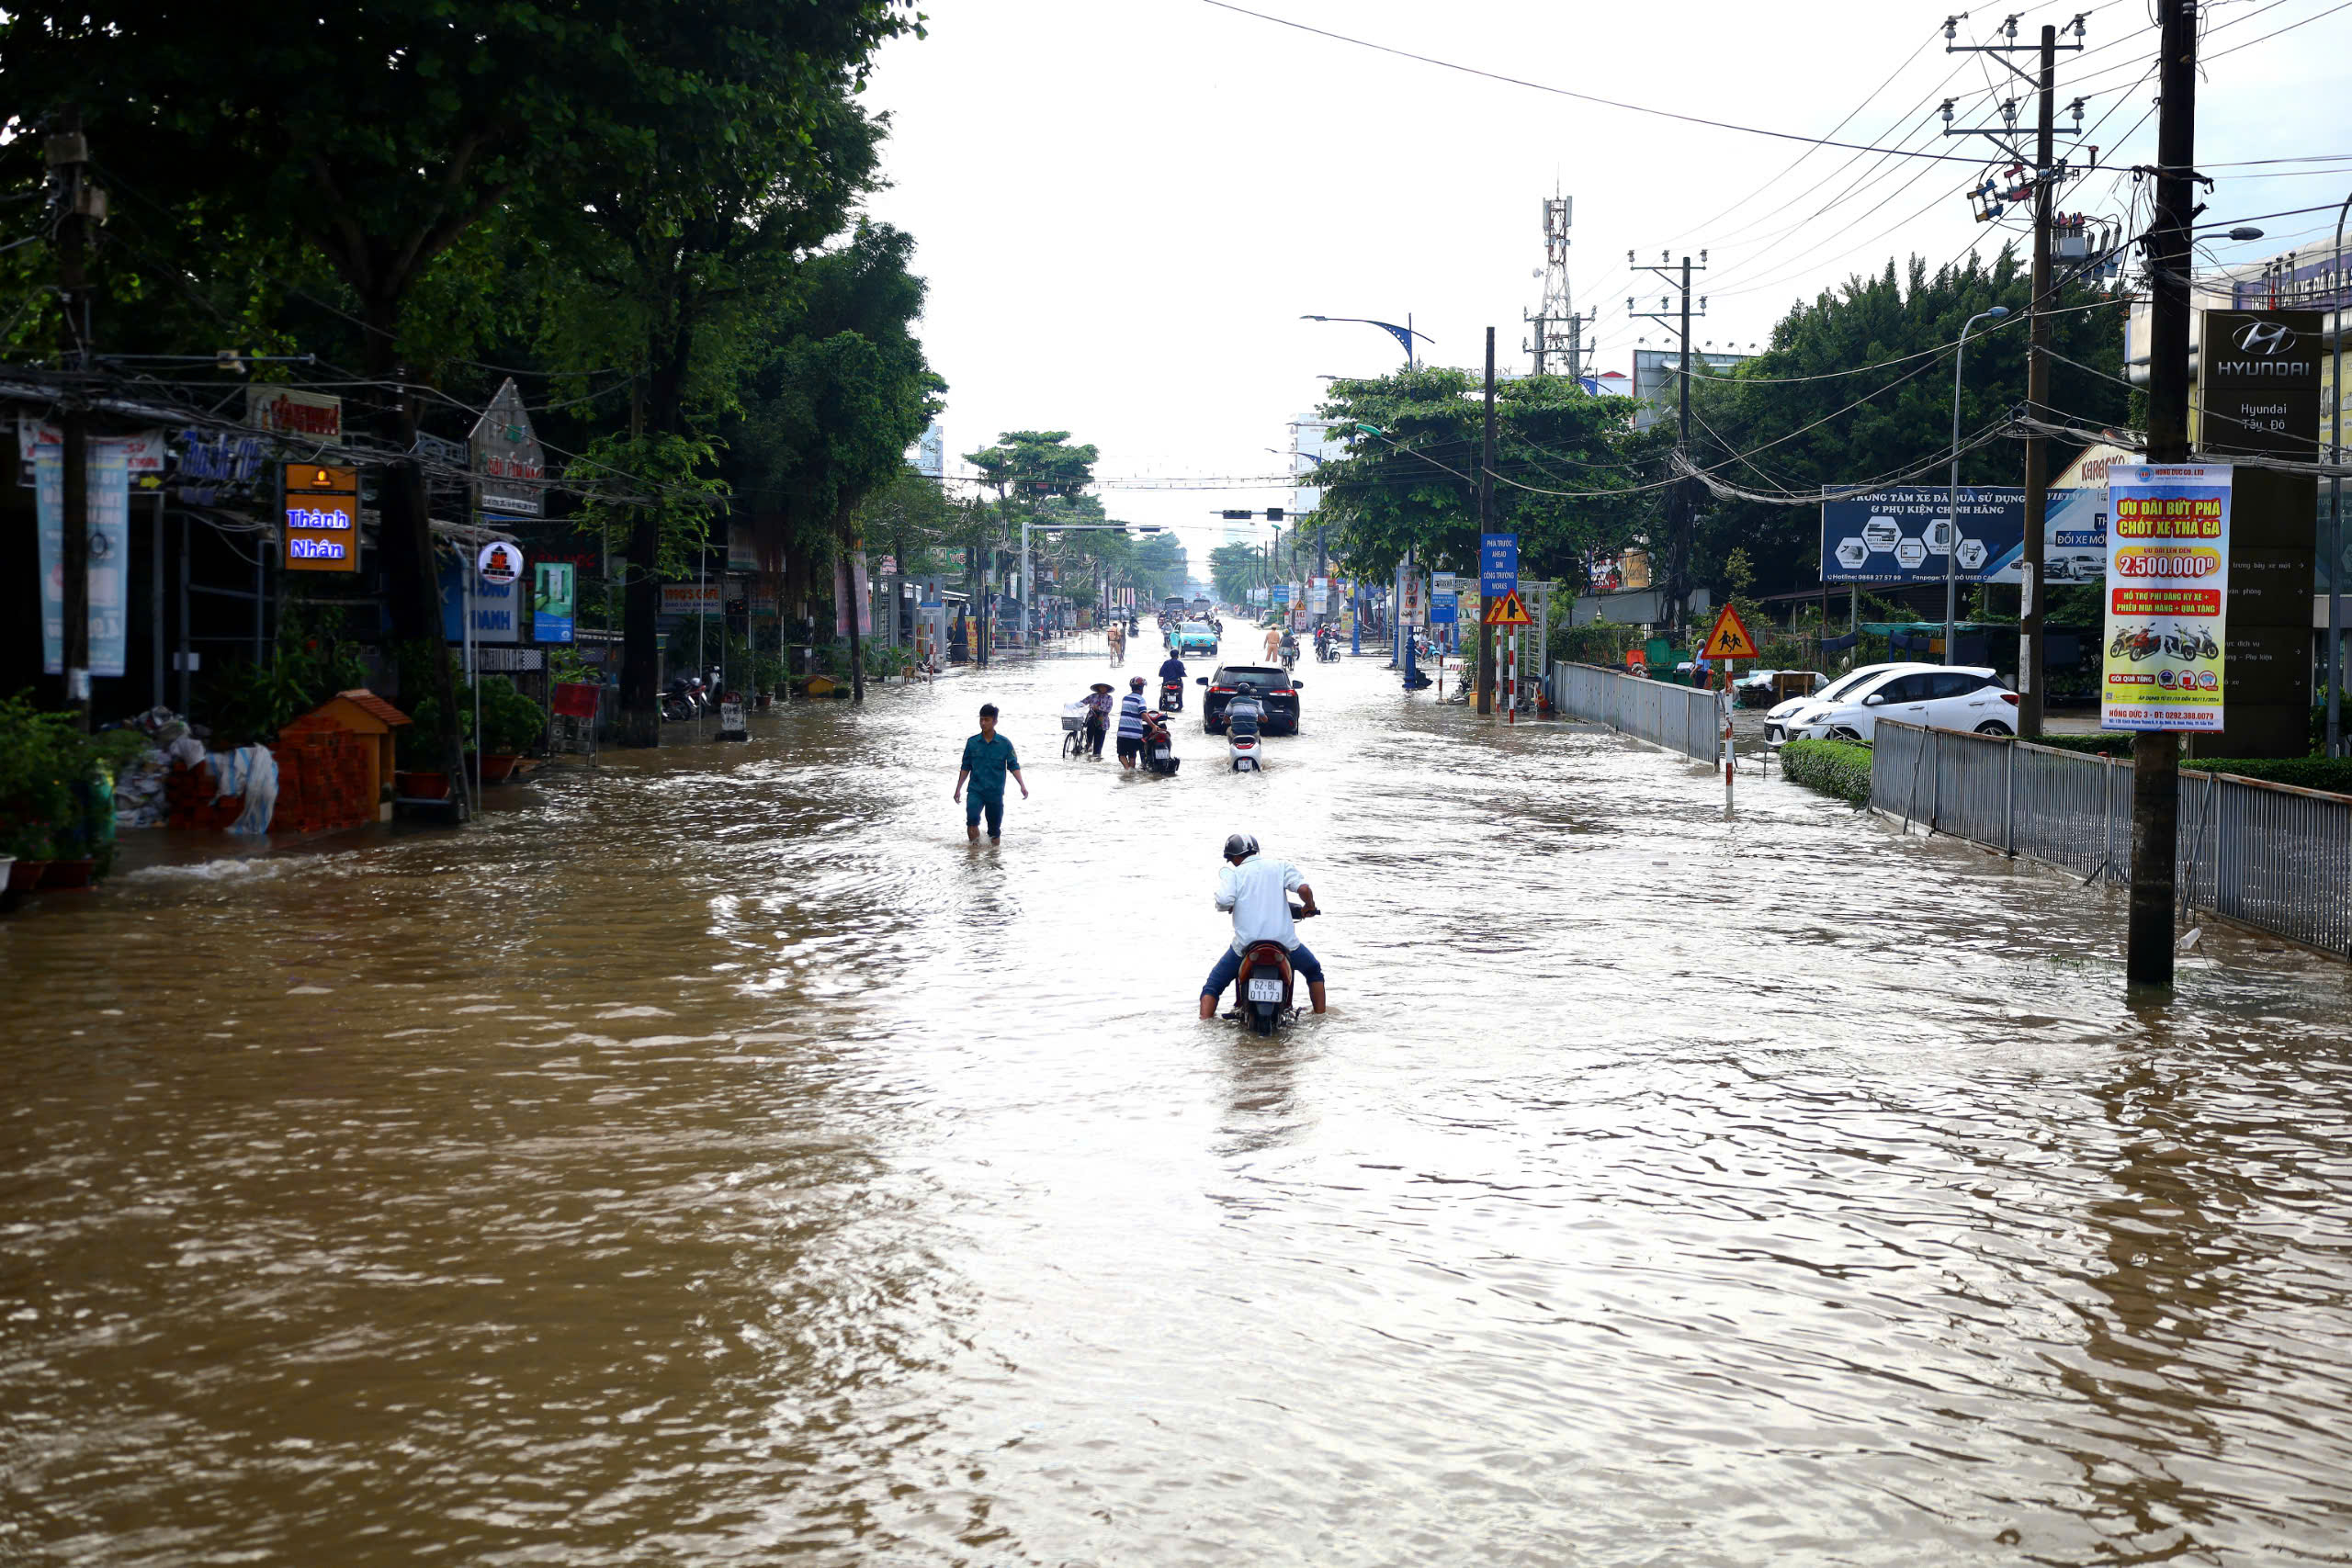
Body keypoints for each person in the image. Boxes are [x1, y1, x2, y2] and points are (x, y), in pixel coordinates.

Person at [1198, 832, 1325, 1019]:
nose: (1233, 863)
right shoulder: (1280, 867)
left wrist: (1229, 905)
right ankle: (1321, 1018)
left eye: (1232, 860)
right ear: (1255, 851)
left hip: (1246, 947)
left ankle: (1205, 1025)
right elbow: (1304, 889)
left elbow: (1224, 901)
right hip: (1285, 944)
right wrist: (1309, 906)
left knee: (1213, 986)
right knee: (1313, 971)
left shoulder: (1235, 874)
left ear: (1236, 857)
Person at [953, 703, 1028, 842]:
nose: (983, 723)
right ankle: (973, 855)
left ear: (995, 721)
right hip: (976, 790)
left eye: (986, 720)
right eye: (981, 719)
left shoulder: (1005, 744)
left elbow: (1013, 766)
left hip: (995, 792)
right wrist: (958, 789)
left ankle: (993, 859)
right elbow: (965, 767)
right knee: (972, 820)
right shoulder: (972, 742)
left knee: (994, 831)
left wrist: (1022, 786)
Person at [1116, 675, 1150, 771]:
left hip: (1122, 733)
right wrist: (1153, 725)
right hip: (1135, 734)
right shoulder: (1141, 699)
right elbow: (1143, 714)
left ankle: (1128, 771)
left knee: (1121, 755)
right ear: (1142, 688)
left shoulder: (1125, 698)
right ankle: (1130, 772)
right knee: (1132, 756)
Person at [1080, 681, 1114, 758]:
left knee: (1098, 747)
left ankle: (1096, 760)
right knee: (1089, 730)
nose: (1102, 688)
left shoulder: (1109, 698)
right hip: (1091, 718)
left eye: (1104, 687)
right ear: (1098, 688)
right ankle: (1089, 745)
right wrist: (1074, 706)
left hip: (1103, 722)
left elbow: (1108, 709)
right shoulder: (1092, 696)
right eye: (1101, 687)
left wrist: (1098, 708)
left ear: (1107, 689)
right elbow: (1082, 703)